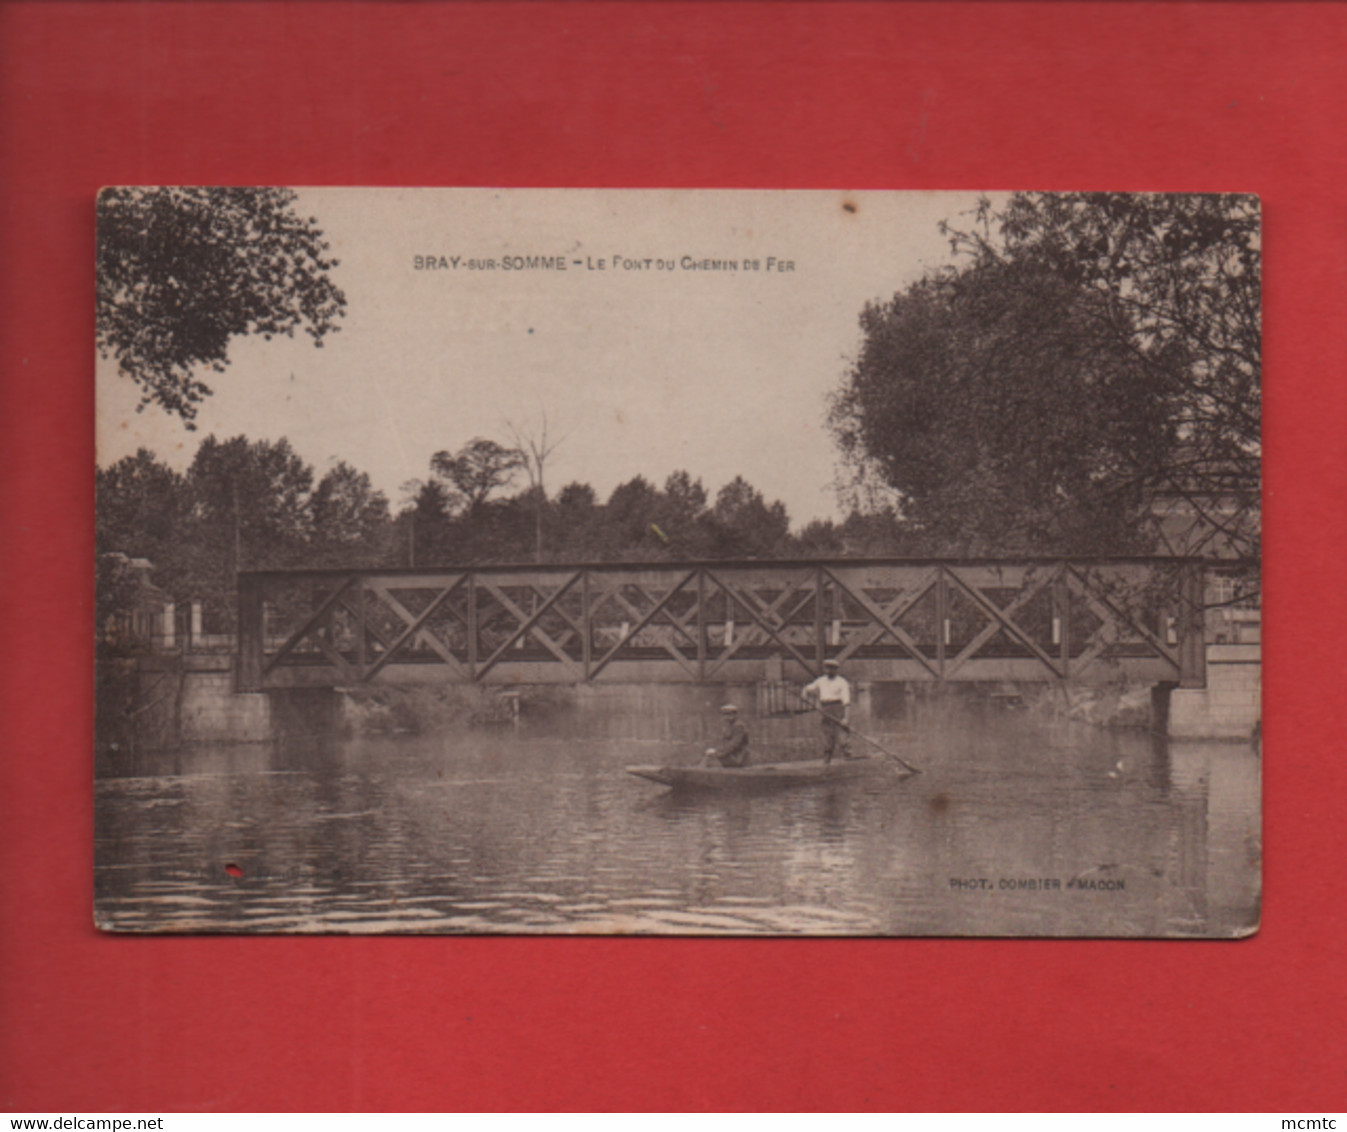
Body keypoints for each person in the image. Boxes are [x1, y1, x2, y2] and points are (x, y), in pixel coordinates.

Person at [802, 657, 854, 763]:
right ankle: (827, 761)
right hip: (825, 710)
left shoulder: (842, 682)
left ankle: (847, 757)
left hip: (838, 708)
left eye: (832, 668)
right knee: (827, 735)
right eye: (827, 668)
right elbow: (808, 688)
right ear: (825, 669)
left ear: (836, 669)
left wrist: (846, 718)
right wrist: (804, 693)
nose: (829, 671)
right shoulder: (821, 681)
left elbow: (847, 702)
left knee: (842, 736)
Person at [704, 703, 750, 767]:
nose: (726, 718)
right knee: (709, 759)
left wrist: (716, 751)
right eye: (725, 715)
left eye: (729, 715)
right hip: (730, 755)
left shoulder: (739, 726)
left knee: (711, 760)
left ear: (735, 715)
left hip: (738, 757)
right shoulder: (730, 726)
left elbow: (734, 744)